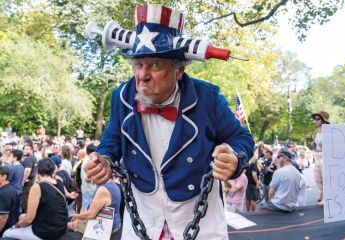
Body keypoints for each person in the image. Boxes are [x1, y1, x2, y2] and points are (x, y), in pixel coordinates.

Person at [84, 4, 254, 240]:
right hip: (144, 219)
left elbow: (241, 139)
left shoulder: (208, 98)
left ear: (179, 70)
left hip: (198, 221)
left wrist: (234, 158)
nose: (142, 75)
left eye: (154, 65)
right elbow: (111, 140)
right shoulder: (121, 96)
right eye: (138, 64)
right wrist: (103, 159)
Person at [3, 158, 77, 240]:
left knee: (7, 233)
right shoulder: (59, 182)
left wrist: (16, 225)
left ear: (37, 170)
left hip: (46, 232)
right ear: (53, 170)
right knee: (22, 216)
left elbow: (29, 219)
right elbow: (66, 195)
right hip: (60, 228)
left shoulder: (37, 187)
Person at [311, 111, 330, 206]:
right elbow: (316, 144)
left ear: (323, 120)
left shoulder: (328, 130)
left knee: (325, 178)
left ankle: (325, 199)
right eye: (315, 119)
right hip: (317, 155)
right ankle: (324, 197)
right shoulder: (317, 131)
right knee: (318, 178)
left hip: (324, 156)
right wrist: (313, 144)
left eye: (317, 119)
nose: (315, 120)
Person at [0, 166, 17, 237]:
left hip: (4, 229)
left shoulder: (5, 194)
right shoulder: (9, 188)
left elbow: (3, 218)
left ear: (4, 177)